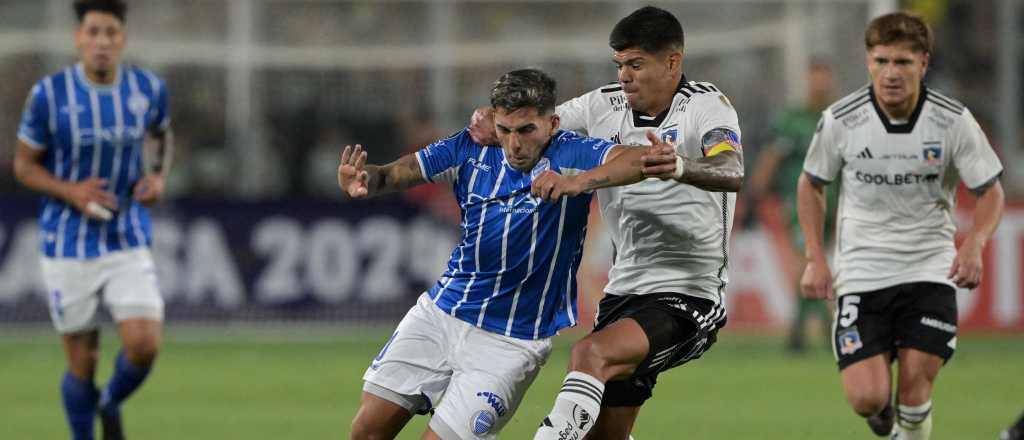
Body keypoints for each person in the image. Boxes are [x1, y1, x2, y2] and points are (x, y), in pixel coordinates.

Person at [343, 68, 674, 440]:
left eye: (526, 130)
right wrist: (365, 180)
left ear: (552, 123)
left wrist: (576, 183)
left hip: (510, 344)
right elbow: (394, 173)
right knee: (366, 432)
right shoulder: (470, 148)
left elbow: (636, 160)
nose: (514, 144)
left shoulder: (571, 152)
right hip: (440, 314)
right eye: (505, 130)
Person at [471, 6, 743, 439]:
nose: (624, 76)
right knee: (606, 435)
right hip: (623, 292)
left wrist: (679, 166)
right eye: (620, 65)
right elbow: (538, 125)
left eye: (636, 64)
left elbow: (731, 171)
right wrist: (496, 122)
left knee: (589, 353)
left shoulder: (707, 107)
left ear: (672, 62)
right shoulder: (601, 105)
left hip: (689, 292)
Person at [798, 12, 1004, 440]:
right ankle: (885, 419)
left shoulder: (952, 121)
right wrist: (816, 258)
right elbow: (811, 183)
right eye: (881, 61)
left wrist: (973, 245)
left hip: (929, 268)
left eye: (903, 63)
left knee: (914, 388)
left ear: (924, 63)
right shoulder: (842, 119)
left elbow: (992, 191)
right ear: (869, 62)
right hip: (861, 271)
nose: (890, 73)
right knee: (868, 399)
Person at [11, 1, 173, 439]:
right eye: (94, 32)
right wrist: (71, 191)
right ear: (78, 38)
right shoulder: (49, 95)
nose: (102, 42)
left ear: (122, 39)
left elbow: (161, 136)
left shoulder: (148, 89)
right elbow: (24, 166)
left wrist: (157, 177)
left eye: (111, 33)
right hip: (66, 241)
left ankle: (110, 401)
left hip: (125, 234)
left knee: (144, 345)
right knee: (83, 361)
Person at [747, 59, 837, 354]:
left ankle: (812, 326)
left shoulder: (840, 119)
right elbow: (771, 158)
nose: (820, 84)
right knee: (806, 260)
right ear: (807, 80)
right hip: (802, 203)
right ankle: (805, 330)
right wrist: (755, 194)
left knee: (821, 263)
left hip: (837, 204)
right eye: (815, 77)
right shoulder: (791, 120)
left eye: (824, 78)